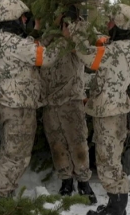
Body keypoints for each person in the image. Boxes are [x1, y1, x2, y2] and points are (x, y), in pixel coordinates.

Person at [69, 4, 130, 215]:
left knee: (107, 160)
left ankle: (116, 212)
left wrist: (75, 31)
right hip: (116, 109)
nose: (108, 25)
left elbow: (87, 56)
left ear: (119, 25)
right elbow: (104, 43)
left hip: (108, 112)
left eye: (111, 21)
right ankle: (115, 205)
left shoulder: (113, 52)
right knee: (112, 158)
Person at [0, 0, 66, 199]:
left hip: (10, 105)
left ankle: (3, 195)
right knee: (15, 156)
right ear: (13, 19)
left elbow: (34, 46)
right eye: (24, 18)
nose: (26, 22)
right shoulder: (15, 44)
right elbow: (45, 57)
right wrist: (65, 39)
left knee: (11, 153)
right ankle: (1, 200)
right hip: (18, 108)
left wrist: (46, 33)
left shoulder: (3, 41)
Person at [39, 16, 97, 204]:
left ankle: (83, 181)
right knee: (57, 143)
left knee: (78, 142)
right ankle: (66, 180)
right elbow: (39, 55)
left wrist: (70, 35)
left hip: (71, 98)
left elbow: (86, 54)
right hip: (50, 101)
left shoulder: (77, 31)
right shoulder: (45, 34)